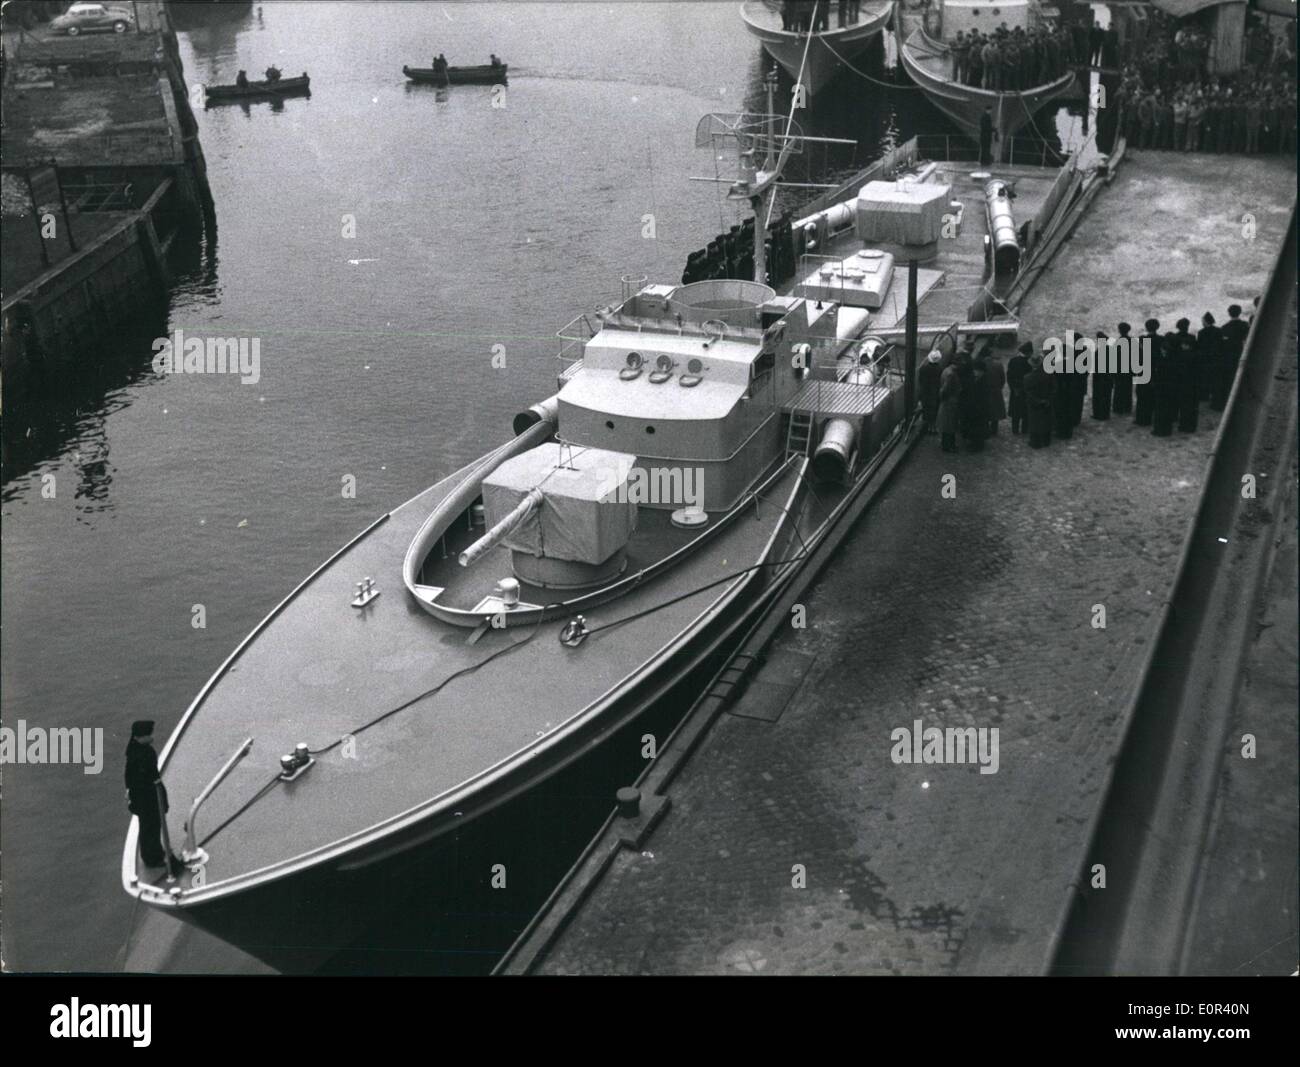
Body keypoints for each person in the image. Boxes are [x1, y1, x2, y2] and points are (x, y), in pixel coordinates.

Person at [124, 720, 184, 877]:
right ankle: (153, 857)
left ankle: (154, 853)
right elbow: (149, 777)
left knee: (150, 826)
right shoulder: (143, 754)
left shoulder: (133, 751)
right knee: (151, 826)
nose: (151, 737)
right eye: (148, 735)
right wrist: (160, 794)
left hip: (143, 797)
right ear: (140, 737)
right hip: (148, 798)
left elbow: (129, 778)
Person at [1215, 304, 1249, 409]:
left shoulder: (1224, 328)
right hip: (1242, 354)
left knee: (1228, 380)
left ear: (1229, 313)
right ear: (1240, 312)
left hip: (1229, 358)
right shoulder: (1245, 325)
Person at [1024, 352, 1054, 448]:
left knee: (1034, 422)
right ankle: (1046, 441)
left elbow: (1029, 393)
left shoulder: (1027, 377)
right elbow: (1053, 388)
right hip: (1047, 402)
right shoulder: (1048, 375)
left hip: (1034, 405)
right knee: (1046, 421)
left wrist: (1038, 401)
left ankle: (1035, 443)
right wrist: (1048, 400)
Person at [1151, 327, 1178, 436]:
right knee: (1167, 409)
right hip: (1171, 388)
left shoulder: (1162, 363)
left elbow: (1158, 376)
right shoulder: (1173, 360)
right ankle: (1167, 430)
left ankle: (1159, 430)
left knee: (1160, 410)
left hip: (1161, 388)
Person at [1134, 318, 1160, 426]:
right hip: (1155, 370)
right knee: (1151, 395)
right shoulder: (1161, 339)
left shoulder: (1143, 340)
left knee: (1141, 396)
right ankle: (1150, 417)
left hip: (1144, 371)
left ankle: (1142, 419)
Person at [1196, 311, 1222, 406]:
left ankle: (1204, 396)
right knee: (1215, 379)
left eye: (1203, 321)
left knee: (1205, 378)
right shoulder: (1219, 330)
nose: (1202, 322)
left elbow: (1199, 346)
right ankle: (1215, 397)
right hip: (1216, 358)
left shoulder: (1201, 332)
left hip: (1205, 358)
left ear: (1206, 322)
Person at [938, 354, 962, 453]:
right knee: (950, 425)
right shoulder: (951, 374)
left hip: (947, 402)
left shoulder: (946, 370)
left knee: (946, 425)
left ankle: (945, 444)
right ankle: (949, 445)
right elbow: (945, 389)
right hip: (950, 402)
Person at [1007, 341, 1031, 434]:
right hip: (1025, 389)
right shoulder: (1028, 362)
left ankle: (1015, 429)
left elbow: (1009, 376)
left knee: (1015, 411)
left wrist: (1012, 387)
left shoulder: (1013, 360)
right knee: (1025, 411)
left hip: (1015, 389)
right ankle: (1024, 430)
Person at [1111, 321, 1134, 415]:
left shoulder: (1118, 342)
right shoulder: (1132, 341)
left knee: (1118, 389)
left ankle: (1118, 407)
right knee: (1128, 388)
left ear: (1120, 331)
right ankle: (1127, 407)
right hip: (1129, 369)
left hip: (1119, 369)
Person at [918, 349, 943, 435]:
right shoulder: (939, 369)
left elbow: (920, 380)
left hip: (925, 391)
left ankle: (927, 425)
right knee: (934, 408)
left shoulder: (923, 368)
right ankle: (932, 426)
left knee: (926, 408)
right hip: (935, 391)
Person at [984, 347, 1007, 435]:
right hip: (996, 390)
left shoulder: (981, 364)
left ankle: (985, 428)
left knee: (985, 410)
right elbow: (1003, 379)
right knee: (995, 411)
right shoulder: (998, 365)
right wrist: (999, 387)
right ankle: (994, 430)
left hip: (985, 390)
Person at [1091, 330, 1112, 419]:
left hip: (1099, 377)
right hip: (1108, 377)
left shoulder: (1099, 351)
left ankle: (1098, 414)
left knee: (1098, 396)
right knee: (1106, 396)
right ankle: (1105, 414)